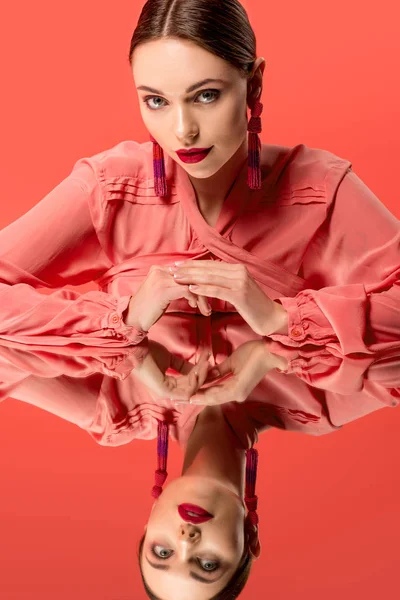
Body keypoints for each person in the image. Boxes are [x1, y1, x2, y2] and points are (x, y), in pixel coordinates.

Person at [0, 0, 399, 596]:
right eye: (156, 100)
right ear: (248, 541)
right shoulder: (320, 413)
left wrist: (278, 314)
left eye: (205, 95)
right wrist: (126, 316)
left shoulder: (316, 185)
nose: (180, 129)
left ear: (253, 83)